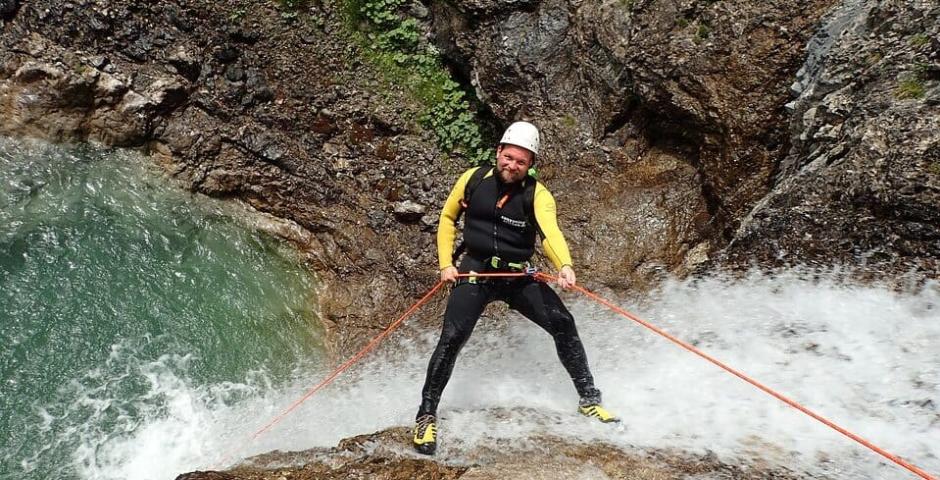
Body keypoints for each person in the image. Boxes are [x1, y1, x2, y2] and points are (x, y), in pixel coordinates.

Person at [412, 121, 618, 455]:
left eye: (521, 162)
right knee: (452, 338)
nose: (512, 165)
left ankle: (589, 400)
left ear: (530, 164)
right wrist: (445, 264)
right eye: (508, 158)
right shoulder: (473, 179)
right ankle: (425, 416)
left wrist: (565, 265)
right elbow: (448, 219)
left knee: (563, 323)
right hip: (475, 271)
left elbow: (550, 234)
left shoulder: (538, 195)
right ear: (498, 153)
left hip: (517, 276)